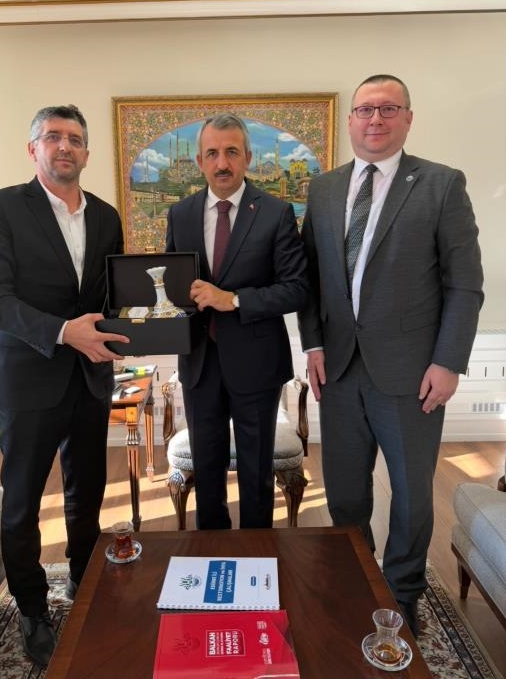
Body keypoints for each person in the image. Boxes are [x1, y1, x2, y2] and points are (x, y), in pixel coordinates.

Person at [298, 74, 484, 636]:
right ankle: (357, 581)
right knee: (345, 493)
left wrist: (448, 361)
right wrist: (312, 343)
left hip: (412, 373)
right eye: (365, 109)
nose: (374, 119)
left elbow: (464, 284)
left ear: (407, 118)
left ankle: (403, 593)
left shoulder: (440, 184)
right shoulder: (323, 189)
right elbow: (309, 279)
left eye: (387, 109)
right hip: (339, 369)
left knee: (410, 494)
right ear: (351, 120)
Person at [0, 104, 129, 667]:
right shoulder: (0, 209)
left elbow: (112, 294)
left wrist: (144, 322)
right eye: (53, 137)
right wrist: (64, 332)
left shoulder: (106, 216)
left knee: (88, 495)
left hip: (89, 380)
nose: (65, 146)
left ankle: (85, 583)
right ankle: (33, 608)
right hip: (28, 382)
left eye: (75, 139)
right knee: (22, 502)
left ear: (86, 152)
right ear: (33, 148)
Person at [166, 112, 309, 530]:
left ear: (247, 157)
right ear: (199, 161)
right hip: (199, 364)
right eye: (212, 153)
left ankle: (257, 552)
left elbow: (296, 289)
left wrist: (233, 300)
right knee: (207, 474)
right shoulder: (180, 214)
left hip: (257, 364)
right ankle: (212, 551)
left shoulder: (276, 212)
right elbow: (173, 290)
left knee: (256, 474)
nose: (222, 162)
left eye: (231, 152)